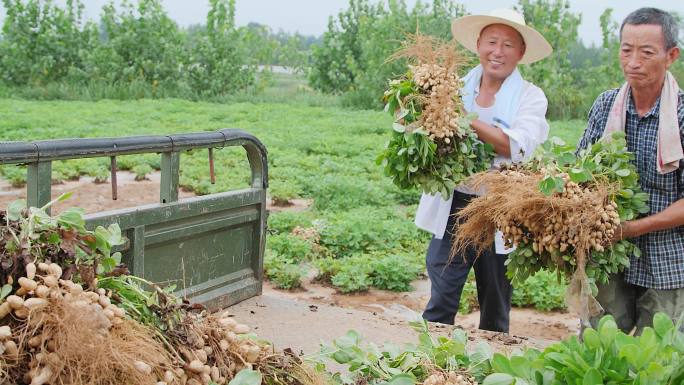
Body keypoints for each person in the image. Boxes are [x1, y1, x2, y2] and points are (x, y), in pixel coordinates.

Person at [415, 8, 552, 331]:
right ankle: (430, 369)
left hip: (500, 209)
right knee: (441, 298)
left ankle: (492, 370)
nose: (498, 52)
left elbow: (513, 145)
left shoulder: (530, 97)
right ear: (478, 44)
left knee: (495, 303)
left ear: (520, 53)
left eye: (508, 45)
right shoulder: (452, 86)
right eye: (492, 42)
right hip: (454, 205)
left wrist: (461, 117)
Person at [576, 7, 684, 334]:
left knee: (659, 359)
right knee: (599, 346)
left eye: (646, 52)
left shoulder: (680, 115)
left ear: (671, 56)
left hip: (668, 260)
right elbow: (581, 172)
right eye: (626, 50)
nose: (633, 61)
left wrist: (633, 228)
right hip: (609, 254)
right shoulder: (607, 105)